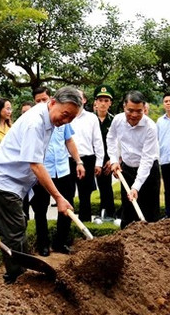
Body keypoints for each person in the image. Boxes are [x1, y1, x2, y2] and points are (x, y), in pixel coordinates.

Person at [0, 87, 82, 283]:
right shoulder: (34, 123)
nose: (65, 121)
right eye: (65, 115)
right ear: (53, 102)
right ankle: (15, 277)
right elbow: (36, 164)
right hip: (4, 179)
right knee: (14, 230)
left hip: (18, 180)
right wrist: (58, 197)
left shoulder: (49, 119)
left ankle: (20, 272)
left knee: (18, 225)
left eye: (71, 119)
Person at [29, 86, 84, 255]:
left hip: (62, 169)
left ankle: (60, 242)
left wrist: (78, 161)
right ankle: (43, 244)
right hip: (42, 173)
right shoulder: (35, 121)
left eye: (44, 99)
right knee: (40, 210)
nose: (42, 103)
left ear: (51, 99)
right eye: (38, 101)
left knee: (67, 207)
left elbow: (69, 141)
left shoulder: (63, 117)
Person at [106, 91, 161, 228]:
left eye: (139, 111)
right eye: (130, 110)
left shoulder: (150, 127)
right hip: (127, 169)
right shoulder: (118, 120)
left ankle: (150, 244)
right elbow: (111, 138)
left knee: (149, 211)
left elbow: (147, 159)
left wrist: (136, 187)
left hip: (148, 172)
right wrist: (114, 160)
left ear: (144, 109)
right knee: (128, 210)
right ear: (124, 106)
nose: (134, 115)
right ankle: (126, 243)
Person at [69, 89, 105, 223]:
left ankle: (85, 222)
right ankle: (69, 224)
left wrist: (99, 163)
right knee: (68, 193)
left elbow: (98, 141)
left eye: (79, 97)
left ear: (84, 100)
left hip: (87, 159)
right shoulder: (67, 116)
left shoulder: (91, 117)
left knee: (85, 195)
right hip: (68, 159)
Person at [93, 85, 117, 220]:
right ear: (95, 102)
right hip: (93, 159)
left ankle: (110, 212)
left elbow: (118, 142)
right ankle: (101, 211)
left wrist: (112, 160)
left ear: (110, 103)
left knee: (107, 186)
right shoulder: (89, 120)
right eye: (100, 100)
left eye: (106, 100)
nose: (103, 103)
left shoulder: (114, 121)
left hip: (108, 160)